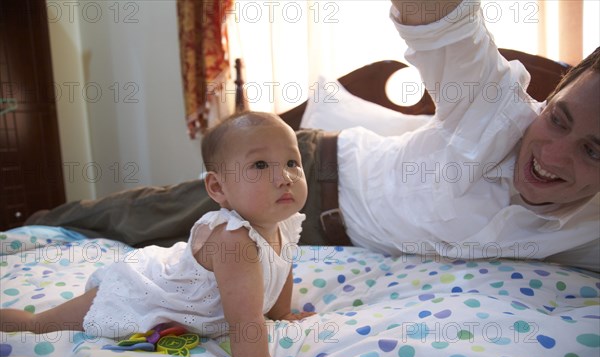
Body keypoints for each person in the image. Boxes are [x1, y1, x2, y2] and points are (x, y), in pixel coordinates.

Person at [25, 0, 599, 269]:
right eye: (558, 118)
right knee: (141, 222)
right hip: (307, 173)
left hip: (328, 247)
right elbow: (446, 27)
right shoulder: (493, 106)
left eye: (593, 150)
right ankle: (34, 226)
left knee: (178, 269)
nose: (549, 153)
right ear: (548, 99)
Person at [1, 112, 315, 357]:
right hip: (145, 291)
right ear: (218, 187)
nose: (284, 177)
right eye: (260, 165)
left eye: (291, 162)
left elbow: (280, 266)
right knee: (38, 325)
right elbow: (245, 322)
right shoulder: (234, 240)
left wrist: (282, 312)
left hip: (175, 280)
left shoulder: (284, 223)